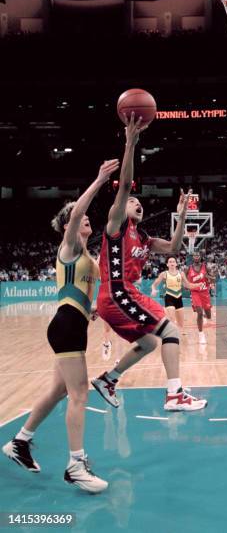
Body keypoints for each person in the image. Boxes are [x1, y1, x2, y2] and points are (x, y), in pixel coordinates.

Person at [2, 159, 120, 493]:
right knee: (79, 393)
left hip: (74, 322)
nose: (87, 220)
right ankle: (75, 465)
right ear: (71, 224)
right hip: (66, 324)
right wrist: (98, 181)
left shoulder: (86, 255)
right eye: (82, 219)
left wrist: (93, 309)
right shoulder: (68, 247)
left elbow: (83, 290)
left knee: (59, 390)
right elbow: (78, 210)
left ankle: (19, 443)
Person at [91, 113, 207, 412]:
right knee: (170, 331)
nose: (137, 202)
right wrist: (130, 143)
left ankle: (109, 379)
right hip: (118, 292)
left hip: (122, 294)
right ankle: (174, 394)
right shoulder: (116, 226)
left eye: (140, 202)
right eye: (133, 201)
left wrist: (181, 215)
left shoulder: (142, 237)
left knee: (150, 343)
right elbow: (126, 185)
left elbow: (175, 246)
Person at [150, 256, 201, 333]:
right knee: (171, 318)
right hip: (169, 297)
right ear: (167, 264)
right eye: (170, 262)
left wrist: (198, 285)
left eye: (173, 261)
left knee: (180, 324)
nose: (172, 263)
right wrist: (153, 290)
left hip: (179, 298)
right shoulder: (164, 274)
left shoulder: (181, 274)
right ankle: (170, 334)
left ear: (176, 264)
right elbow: (154, 284)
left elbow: (188, 285)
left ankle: (180, 335)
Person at [186, 251, 216, 344]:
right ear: (192, 257)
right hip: (195, 293)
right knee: (199, 312)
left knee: (208, 314)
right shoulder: (188, 268)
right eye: (194, 255)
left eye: (197, 255)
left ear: (200, 256)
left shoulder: (206, 267)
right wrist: (187, 286)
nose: (196, 256)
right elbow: (185, 283)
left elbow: (213, 279)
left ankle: (206, 318)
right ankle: (201, 334)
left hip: (205, 292)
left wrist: (209, 277)